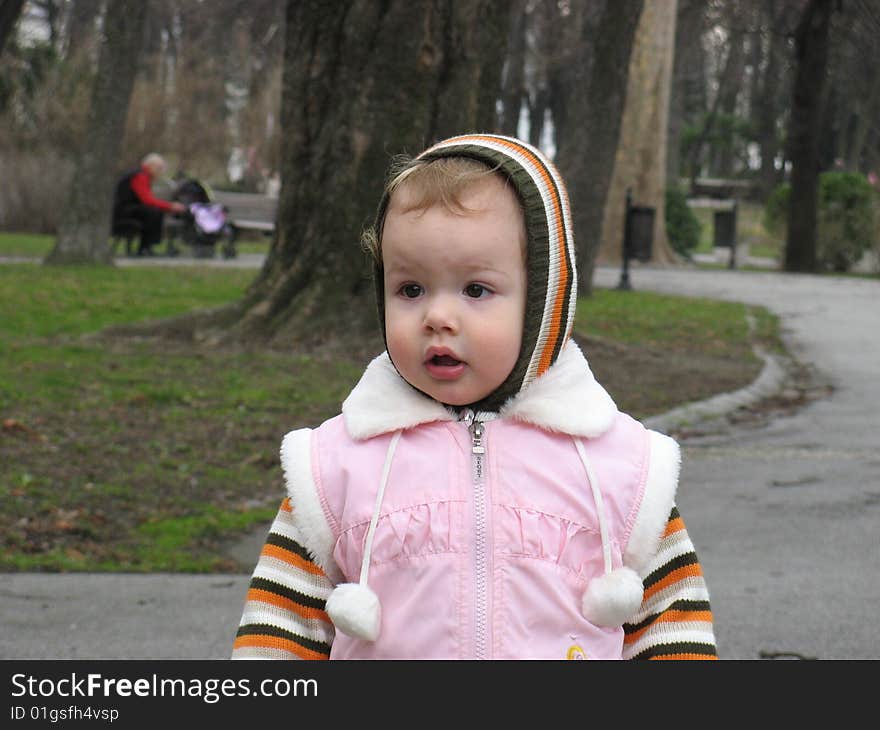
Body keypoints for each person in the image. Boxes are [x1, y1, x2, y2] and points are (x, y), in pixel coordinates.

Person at [231, 134, 717, 660]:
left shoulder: (622, 470)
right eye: (410, 289)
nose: (437, 317)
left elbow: (675, 630)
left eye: (476, 290)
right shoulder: (334, 469)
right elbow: (276, 631)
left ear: (542, 302)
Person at [111, 153, 186, 256]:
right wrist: (171, 206)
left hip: (127, 210)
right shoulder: (140, 176)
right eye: (159, 168)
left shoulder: (142, 175)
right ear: (151, 166)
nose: (161, 172)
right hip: (123, 212)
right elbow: (147, 200)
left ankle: (146, 247)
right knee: (153, 212)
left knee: (152, 212)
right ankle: (145, 248)